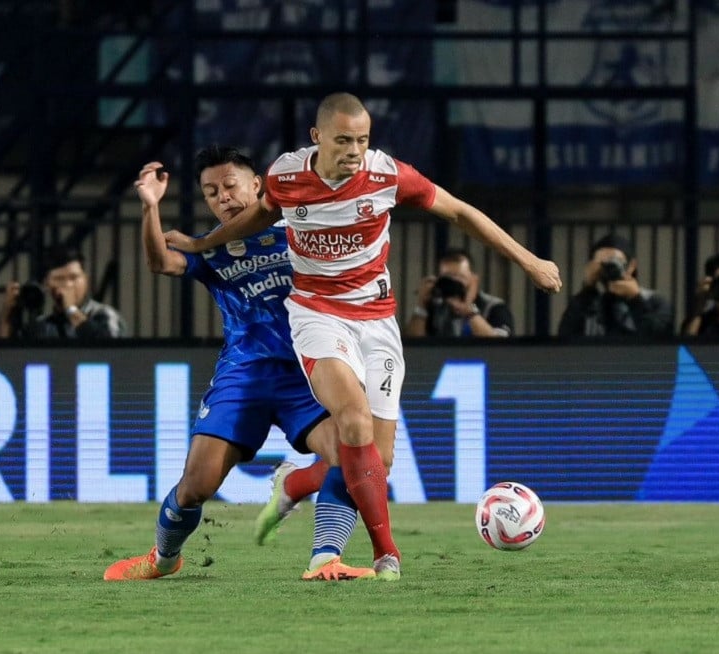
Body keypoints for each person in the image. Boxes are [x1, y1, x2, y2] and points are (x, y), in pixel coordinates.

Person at [165, 92, 562, 581]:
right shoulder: (287, 176)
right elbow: (261, 214)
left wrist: (529, 260)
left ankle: (295, 484)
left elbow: (459, 212)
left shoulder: (388, 176)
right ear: (318, 138)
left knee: (379, 458)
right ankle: (386, 556)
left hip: (376, 320)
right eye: (343, 140)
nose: (354, 150)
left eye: (362, 139)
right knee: (351, 421)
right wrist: (203, 244)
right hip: (316, 316)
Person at [104, 147, 375, 582]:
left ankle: (327, 558)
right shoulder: (212, 248)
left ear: (257, 185)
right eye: (211, 192)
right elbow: (159, 262)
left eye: (230, 185)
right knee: (197, 486)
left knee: (351, 453)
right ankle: (163, 558)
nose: (222, 197)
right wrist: (150, 208)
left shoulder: (299, 232)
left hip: (307, 373)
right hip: (243, 375)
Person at [0, 245, 127, 340]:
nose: (68, 285)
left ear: (86, 279)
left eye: (74, 277)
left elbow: (110, 349)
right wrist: (6, 315)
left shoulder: (104, 315)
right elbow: (9, 358)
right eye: (59, 279)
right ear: (47, 284)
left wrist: (71, 310)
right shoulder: (42, 325)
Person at [557, 233, 673, 339]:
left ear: (632, 265)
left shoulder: (654, 301)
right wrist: (587, 289)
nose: (608, 268)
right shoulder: (587, 302)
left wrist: (635, 299)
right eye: (602, 263)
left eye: (614, 262)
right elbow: (565, 338)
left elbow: (660, 338)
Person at [404, 248, 514, 338]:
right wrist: (421, 306)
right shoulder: (435, 306)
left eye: (460, 277)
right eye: (448, 277)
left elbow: (501, 346)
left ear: (474, 280)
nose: (454, 282)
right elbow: (413, 344)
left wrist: (469, 311)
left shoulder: (494, 307)